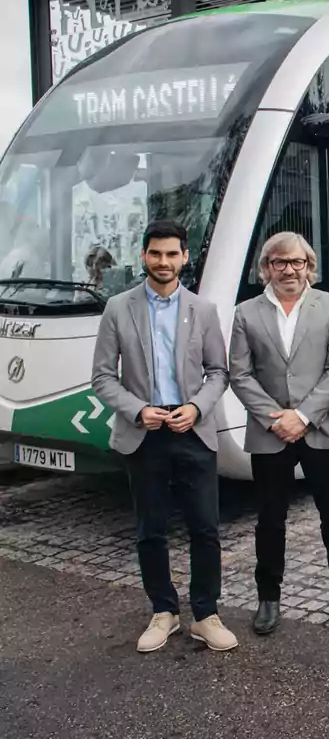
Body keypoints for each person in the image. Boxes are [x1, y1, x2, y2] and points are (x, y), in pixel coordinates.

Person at [91, 219, 236, 653]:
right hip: (144, 432)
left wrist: (195, 407)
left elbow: (219, 372)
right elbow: (101, 377)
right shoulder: (118, 308)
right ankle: (164, 612)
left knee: (205, 529)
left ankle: (206, 614)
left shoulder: (203, 310)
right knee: (150, 531)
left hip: (193, 431)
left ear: (185, 257)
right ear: (144, 256)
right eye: (156, 253)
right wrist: (138, 410)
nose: (164, 261)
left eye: (172, 253)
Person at [228, 232, 329, 636]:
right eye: (279, 262)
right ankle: (268, 598)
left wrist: (302, 415)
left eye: (296, 262)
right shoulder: (245, 313)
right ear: (266, 267)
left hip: (321, 428)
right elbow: (240, 374)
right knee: (270, 519)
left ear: (308, 266)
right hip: (271, 433)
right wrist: (275, 418)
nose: (288, 270)